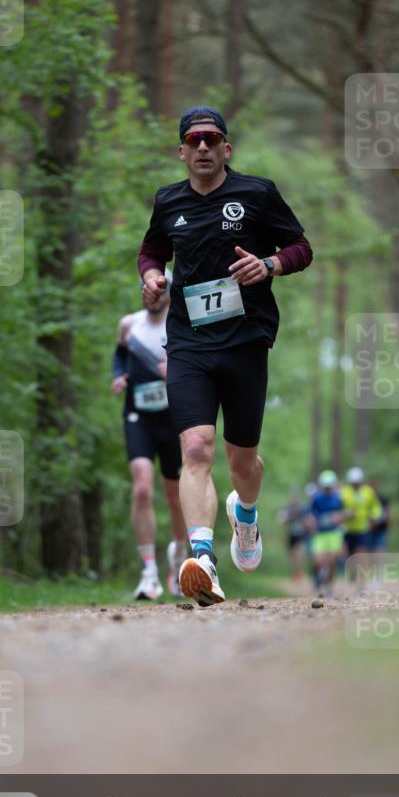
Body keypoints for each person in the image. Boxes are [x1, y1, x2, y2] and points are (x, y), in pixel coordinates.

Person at [138, 105, 313, 606]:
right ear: (181, 152)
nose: (202, 148)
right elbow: (152, 251)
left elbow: (302, 246)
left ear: (226, 149)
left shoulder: (256, 193)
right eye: (192, 141)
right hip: (189, 342)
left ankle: (247, 515)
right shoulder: (168, 202)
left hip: (245, 340)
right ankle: (203, 559)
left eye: (211, 140)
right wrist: (151, 276)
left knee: (242, 463)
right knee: (194, 448)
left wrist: (271, 263)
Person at [111, 280, 188, 599]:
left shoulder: (181, 324)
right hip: (138, 416)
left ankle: (181, 558)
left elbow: (199, 365)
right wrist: (118, 375)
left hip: (173, 419)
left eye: (161, 291)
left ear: (171, 294)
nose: (154, 296)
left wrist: (177, 367)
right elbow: (119, 355)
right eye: (149, 290)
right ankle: (149, 573)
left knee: (175, 495)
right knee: (142, 487)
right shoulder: (129, 324)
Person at [340, 467, 382, 577]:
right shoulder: (344, 493)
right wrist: (346, 514)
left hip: (363, 529)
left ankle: (362, 584)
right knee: (348, 556)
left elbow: (376, 507)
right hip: (347, 529)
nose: (356, 484)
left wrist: (374, 517)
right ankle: (353, 572)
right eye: (353, 482)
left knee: (362, 554)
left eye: (357, 482)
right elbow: (338, 509)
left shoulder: (368, 492)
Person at [308, 469, 345, 596]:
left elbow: (343, 513)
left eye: (329, 486)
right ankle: (317, 577)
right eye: (325, 486)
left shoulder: (338, 498)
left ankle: (329, 587)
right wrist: (312, 523)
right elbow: (310, 514)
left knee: (332, 562)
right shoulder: (316, 499)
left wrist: (339, 517)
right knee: (318, 561)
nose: (328, 489)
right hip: (320, 534)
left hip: (333, 533)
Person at [277, 487, 310, 582]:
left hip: (300, 534)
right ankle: (295, 572)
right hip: (291, 535)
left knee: (299, 554)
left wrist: (304, 522)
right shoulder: (288, 508)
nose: (294, 498)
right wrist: (287, 517)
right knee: (292, 555)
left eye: (296, 496)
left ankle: (299, 571)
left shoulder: (302, 508)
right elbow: (281, 519)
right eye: (292, 496)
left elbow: (307, 521)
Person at [368, 477, 391, 552]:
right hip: (369, 530)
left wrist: (378, 522)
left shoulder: (383, 498)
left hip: (381, 529)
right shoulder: (367, 498)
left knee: (380, 550)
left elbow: (387, 513)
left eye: (375, 486)